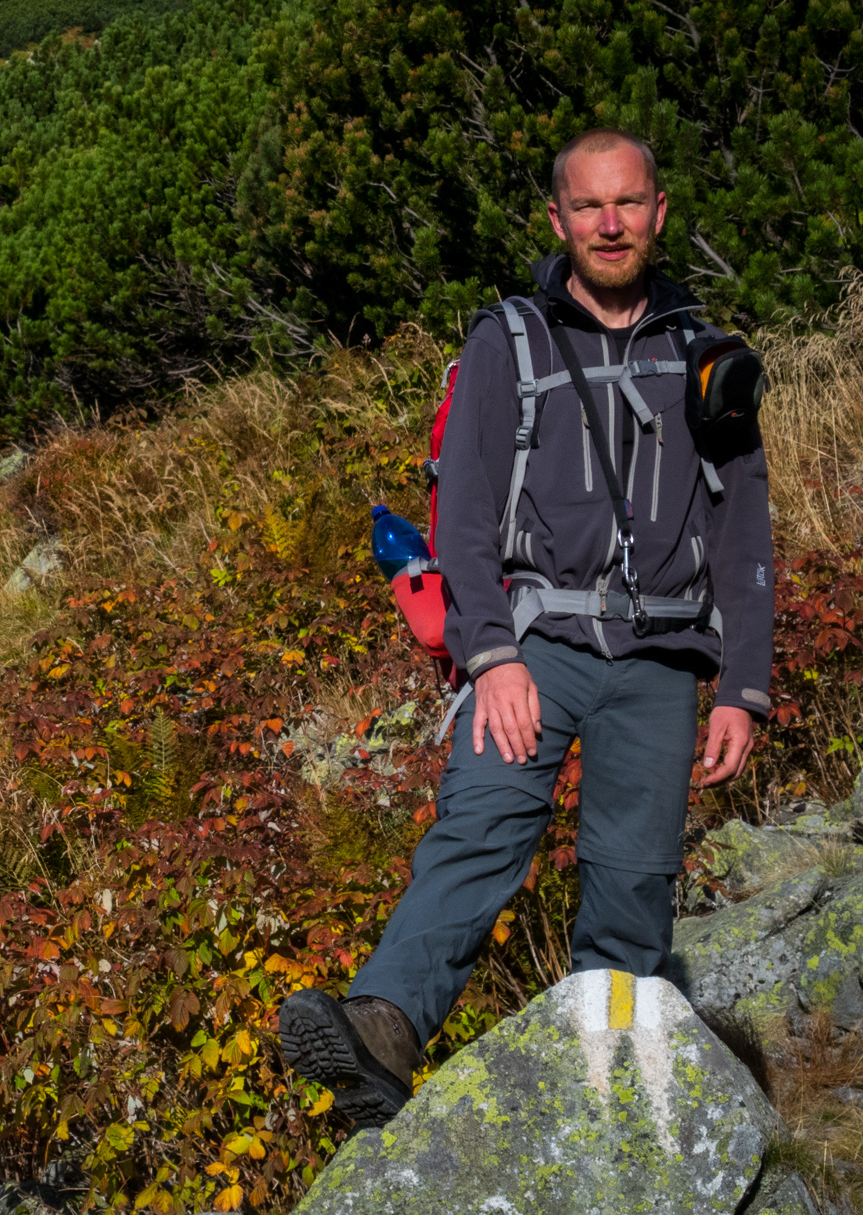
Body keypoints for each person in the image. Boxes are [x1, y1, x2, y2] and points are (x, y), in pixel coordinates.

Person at [276, 128, 774, 1129]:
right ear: (556, 220)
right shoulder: (507, 341)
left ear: (659, 212)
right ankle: (380, 1033)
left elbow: (743, 527)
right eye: (588, 206)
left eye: (628, 203)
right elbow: (459, 515)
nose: (609, 223)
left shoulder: (706, 357)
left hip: (663, 659)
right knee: (481, 822)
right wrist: (491, 654)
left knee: (634, 886)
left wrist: (742, 685)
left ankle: (608, 1101)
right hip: (535, 642)